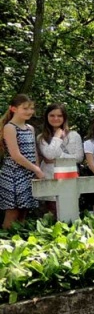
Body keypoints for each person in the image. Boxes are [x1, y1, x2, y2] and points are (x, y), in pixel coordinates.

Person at [0, 95, 43, 228]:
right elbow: (16, 155)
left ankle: (21, 244)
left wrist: (37, 168)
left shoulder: (30, 128)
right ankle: (5, 243)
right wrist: (35, 169)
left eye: (31, 108)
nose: (30, 111)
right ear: (13, 109)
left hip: (28, 174)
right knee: (13, 212)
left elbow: (33, 150)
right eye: (25, 108)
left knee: (24, 211)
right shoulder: (10, 127)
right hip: (13, 175)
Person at [37, 103, 84, 214]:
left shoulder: (74, 135)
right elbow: (49, 155)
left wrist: (58, 158)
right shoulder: (41, 137)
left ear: (64, 117)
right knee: (52, 213)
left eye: (59, 115)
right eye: (52, 115)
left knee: (69, 213)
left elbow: (79, 157)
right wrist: (57, 137)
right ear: (46, 117)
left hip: (69, 177)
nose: (56, 118)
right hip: (50, 177)